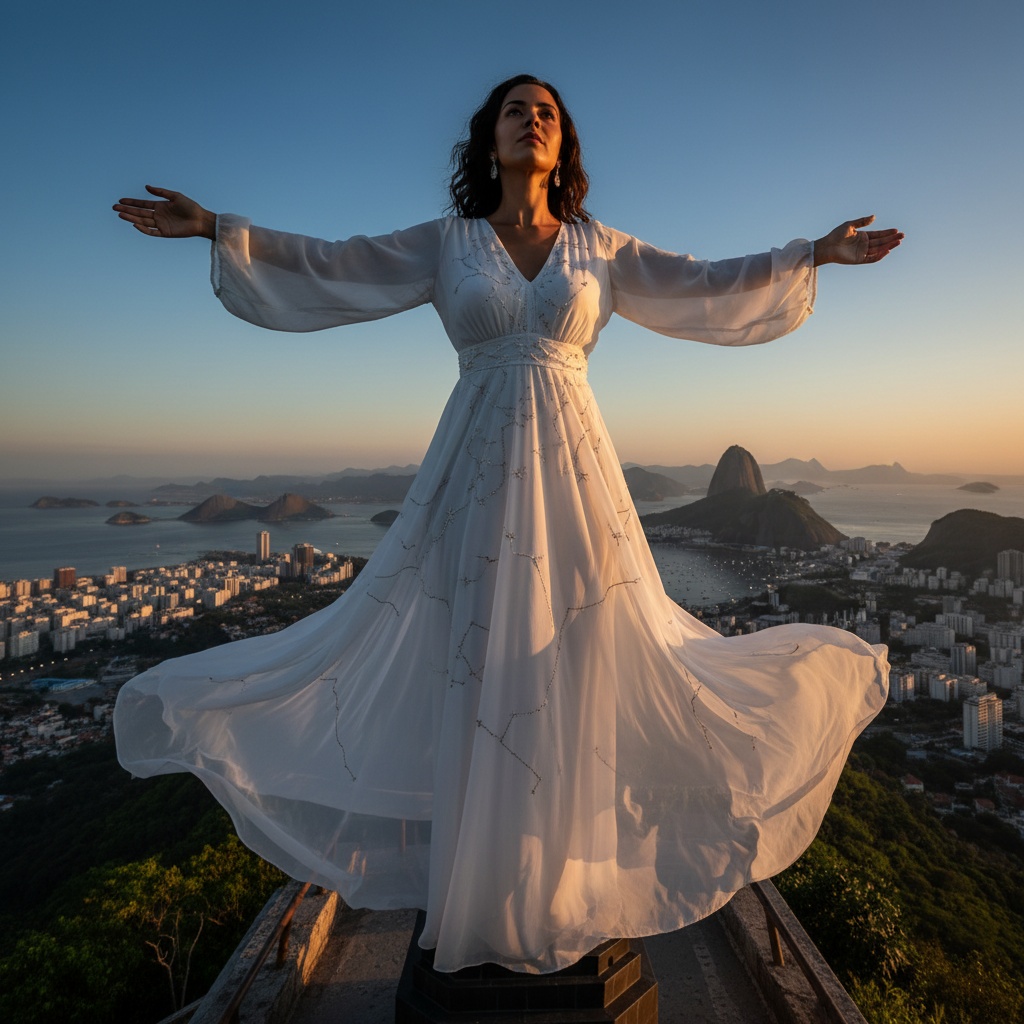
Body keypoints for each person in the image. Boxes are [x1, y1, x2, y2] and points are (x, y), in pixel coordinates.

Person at [112, 74, 901, 975]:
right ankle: (480, 887)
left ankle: (558, 889)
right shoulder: (448, 243)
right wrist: (219, 228)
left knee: (578, 660)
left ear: (562, 147)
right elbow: (335, 260)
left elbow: (708, 281)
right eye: (516, 110)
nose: (533, 120)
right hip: (474, 477)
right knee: (475, 659)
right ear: (488, 138)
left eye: (549, 113)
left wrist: (813, 254)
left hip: (575, 482)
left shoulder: (598, 247)